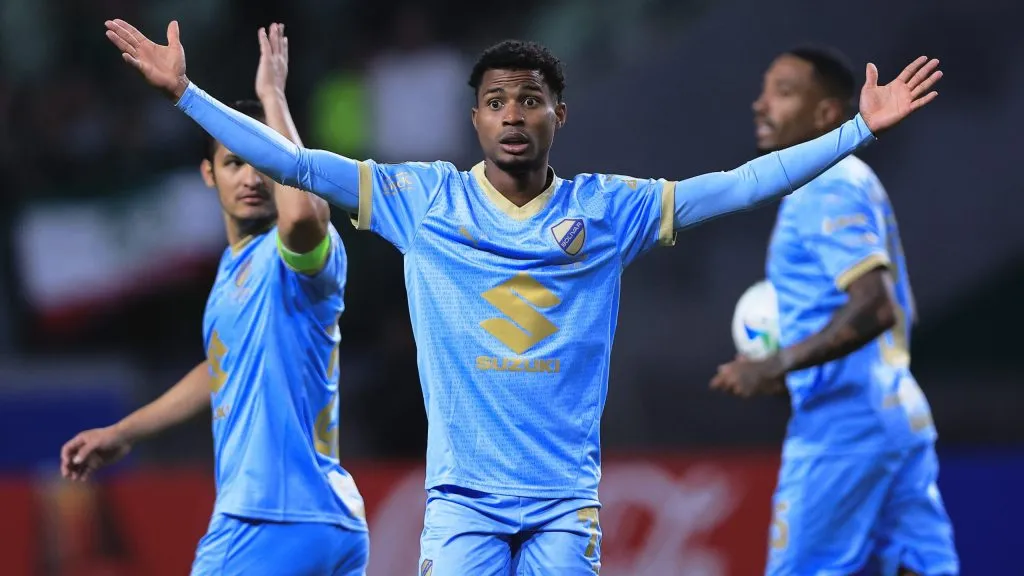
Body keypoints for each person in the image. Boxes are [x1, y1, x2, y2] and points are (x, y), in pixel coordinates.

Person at [103, 18, 942, 575]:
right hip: (462, 502)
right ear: (475, 120)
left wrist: (858, 129)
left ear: (558, 116)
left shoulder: (608, 210)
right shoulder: (421, 199)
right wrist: (186, 94)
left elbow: (739, 184)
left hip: (563, 505)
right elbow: (296, 165)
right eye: (498, 102)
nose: (513, 115)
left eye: (530, 102)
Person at [62, 24, 369, 576]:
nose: (254, 176)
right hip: (331, 523)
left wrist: (273, 98)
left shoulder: (293, 257)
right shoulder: (232, 273)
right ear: (208, 174)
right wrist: (124, 432)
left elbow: (302, 213)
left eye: (263, 163)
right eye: (235, 162)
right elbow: (221, 368)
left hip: (267, 518)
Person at [711, 46, 958, 575]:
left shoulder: (823, 183)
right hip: (896, 410)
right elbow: (878, 311)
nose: (760, 105)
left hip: (842, 425)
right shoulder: (854, 180)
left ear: (827, 114)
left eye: (782, 91)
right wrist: (796, 369)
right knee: (921, 568)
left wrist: (774, 364)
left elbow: (876, 307)